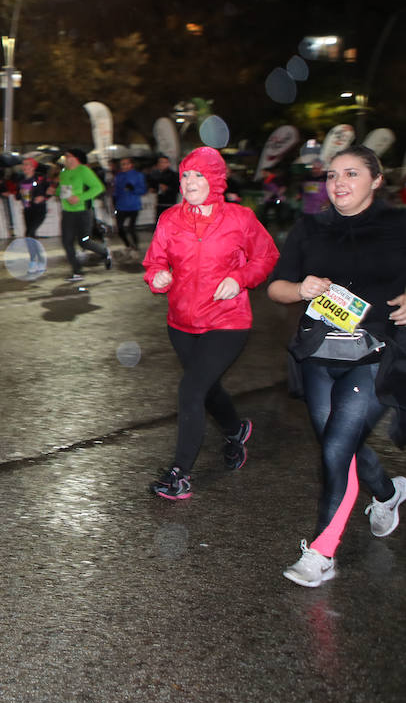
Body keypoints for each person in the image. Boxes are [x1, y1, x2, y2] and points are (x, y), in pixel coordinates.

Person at [266, 145, 406, 587]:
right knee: (337, 443)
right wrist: (301, 288)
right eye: (332, 176)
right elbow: (276, 289)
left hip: (374, 353)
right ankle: (387, 492)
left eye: (351, 174)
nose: (339, 183)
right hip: (318, 354)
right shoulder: (310, 227)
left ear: (376, 179)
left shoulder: (398, 225)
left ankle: (321, 552)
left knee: (336, 448)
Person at [143, 146, 279, 499]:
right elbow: (154, 261)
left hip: (227, 321)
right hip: (182, 323)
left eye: (199, 174)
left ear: (215, 179)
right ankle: (235, 429)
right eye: (186, 174)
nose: (190, 181)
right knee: (206, 386)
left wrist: (241, 278)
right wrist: (157, 275)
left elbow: (266, 255)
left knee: (190, 390)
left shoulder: (240, 218)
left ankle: (179, 475)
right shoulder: (170, 219)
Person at [57, 148, 111, 282]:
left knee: (84, 241)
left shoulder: (84, 171)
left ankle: (104, 252)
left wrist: (79, 198)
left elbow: (98, 187)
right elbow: (62, 189)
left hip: (83, 212)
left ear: (76, 158)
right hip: (67, 212)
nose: (66, 158)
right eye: (65, 156)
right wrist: (55, 191)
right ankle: (77, 271)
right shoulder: (64, 172)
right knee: (67, 242)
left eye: (68, 156)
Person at [112, 157, 148, 252]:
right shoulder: (118, 176)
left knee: (131, 228)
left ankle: (135, 246)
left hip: (133, 206)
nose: (124, 166)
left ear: (131, 165)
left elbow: (143, 190)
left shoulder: (138, 175)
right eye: (122, 164)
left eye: (126, 164)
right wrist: (114, 200)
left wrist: (133, 189)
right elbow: (116, 190)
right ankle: (128, 245)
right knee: (119, 228)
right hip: (120, 206)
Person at [148, 154, 179, 220]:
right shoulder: (155, 174)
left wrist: (167, 188)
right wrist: (153, 189)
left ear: (169, 164)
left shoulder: (174, 175)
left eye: (165, 162)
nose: (162, 164)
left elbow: (178, 189)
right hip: (159, 203)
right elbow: (153, 187)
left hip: (170, 204)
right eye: (160, 162)